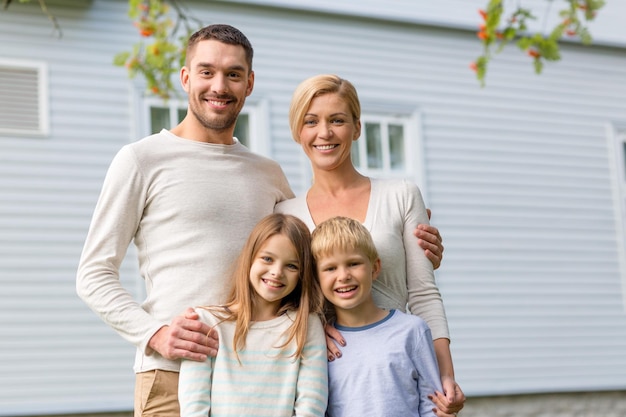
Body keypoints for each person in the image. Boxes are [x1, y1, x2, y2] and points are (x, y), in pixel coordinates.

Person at [76, 24, 444, 416]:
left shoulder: (267, 174)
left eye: (233, 74)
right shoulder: (141, 160)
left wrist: (403, 244)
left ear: (249, 84)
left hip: (264, 381)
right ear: (185, 78)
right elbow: (93, 275)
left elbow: (311, 253)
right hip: (175, 372)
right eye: (206, 72)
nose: (219, 85)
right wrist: (156, 334)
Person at [275, 74, 465, 415]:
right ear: (297, 132)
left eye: (337, 120)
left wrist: (444, 376)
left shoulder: (401, 195)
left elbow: (423, 292)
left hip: (392, 373)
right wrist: (313, 328)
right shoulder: (286, 214)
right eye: (311, 122)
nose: (325, 133)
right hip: (322, 377)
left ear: (357, 127)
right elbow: (282, 302)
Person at [178, 213, 327, 416]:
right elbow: (193, 406)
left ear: (302, 275)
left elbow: (312, 404)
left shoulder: (305, 326)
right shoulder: (206, 323)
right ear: (249, 259)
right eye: (267, 259)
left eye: (292, 265)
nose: (277, 272)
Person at [312, 216, 443, 417]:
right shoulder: (320, 343)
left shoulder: (412, 331)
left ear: (374, 268)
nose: (343, 275)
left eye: (354, 263)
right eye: (330, 268)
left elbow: (433, 407)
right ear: (316, 279)